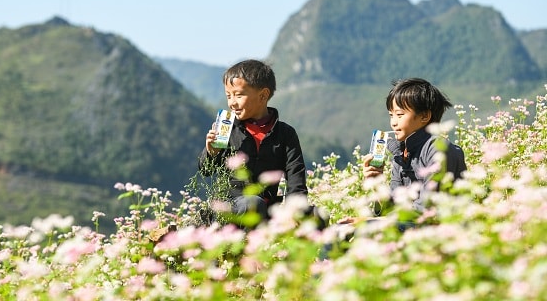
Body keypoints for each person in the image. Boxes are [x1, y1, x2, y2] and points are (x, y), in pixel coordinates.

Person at [197, 59, 321, 227]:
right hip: (232, 210)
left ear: (263, 95)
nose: (232, 102)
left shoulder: (285, 134)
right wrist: (211, 152)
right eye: (228, 96)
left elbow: (296, 180)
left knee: (317, 215)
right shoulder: (227, 130)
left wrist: (295, 212)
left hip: (268, 211)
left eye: (239, 95)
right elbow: (206, 170)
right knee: (253, 203)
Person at [339, 77, 467, 224]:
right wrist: (376, 184)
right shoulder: (401, 153)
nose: (393, 122)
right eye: (391, 115)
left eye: (400, 115)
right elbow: (393, 209)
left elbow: (426, 211)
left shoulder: (438, 150)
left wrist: (368, 222)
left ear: (425, 116)